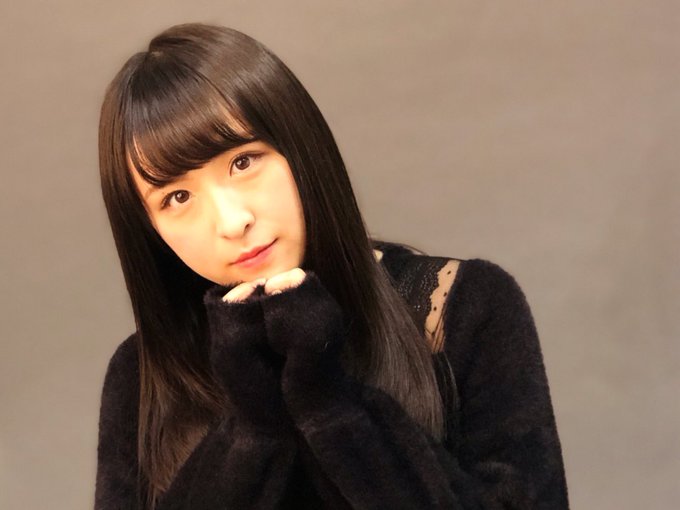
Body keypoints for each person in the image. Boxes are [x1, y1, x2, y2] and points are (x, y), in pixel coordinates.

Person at [94, 23, 569, 510]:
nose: (233, 221)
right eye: (177, 197)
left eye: (243, 162)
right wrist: (252, 427)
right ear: (148, 228)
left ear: (300, 144)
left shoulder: (464, 308)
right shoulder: (140, 376)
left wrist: (332, 405)